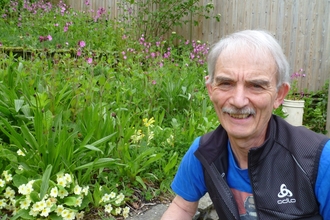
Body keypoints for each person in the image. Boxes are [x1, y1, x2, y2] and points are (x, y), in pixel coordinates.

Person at [161, 29, 330, 220]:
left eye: (256, 86)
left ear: (279, 95)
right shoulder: (204, 153)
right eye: (226, 83)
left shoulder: (320, 159)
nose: (238, 101)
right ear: (210, 89)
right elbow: (181, 208)